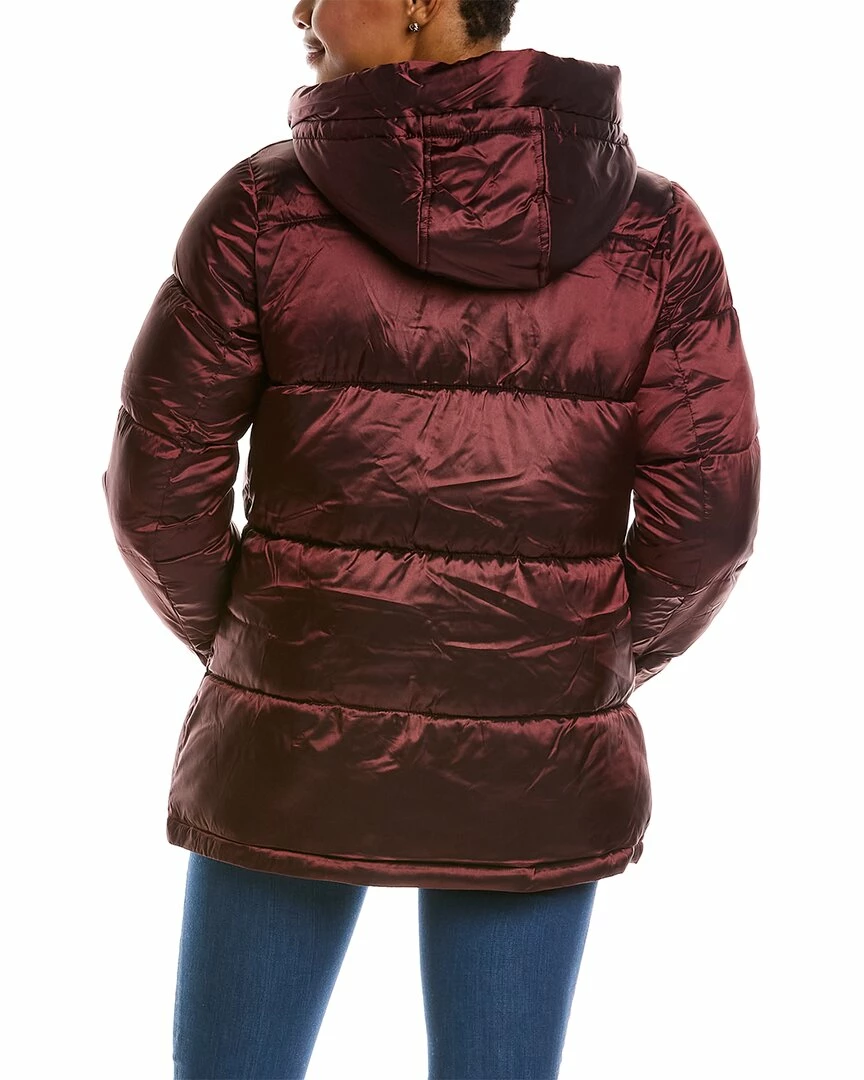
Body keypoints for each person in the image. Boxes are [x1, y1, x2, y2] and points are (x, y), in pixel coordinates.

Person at [100, 0, 761, 1076]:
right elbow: (712, 522)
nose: (299, 9)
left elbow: (158, 487)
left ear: (417, 4)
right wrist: (572, 662)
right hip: (537, 760)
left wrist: (270, 647)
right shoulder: (658, 235)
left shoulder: (261, 211)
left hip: (289, 743)